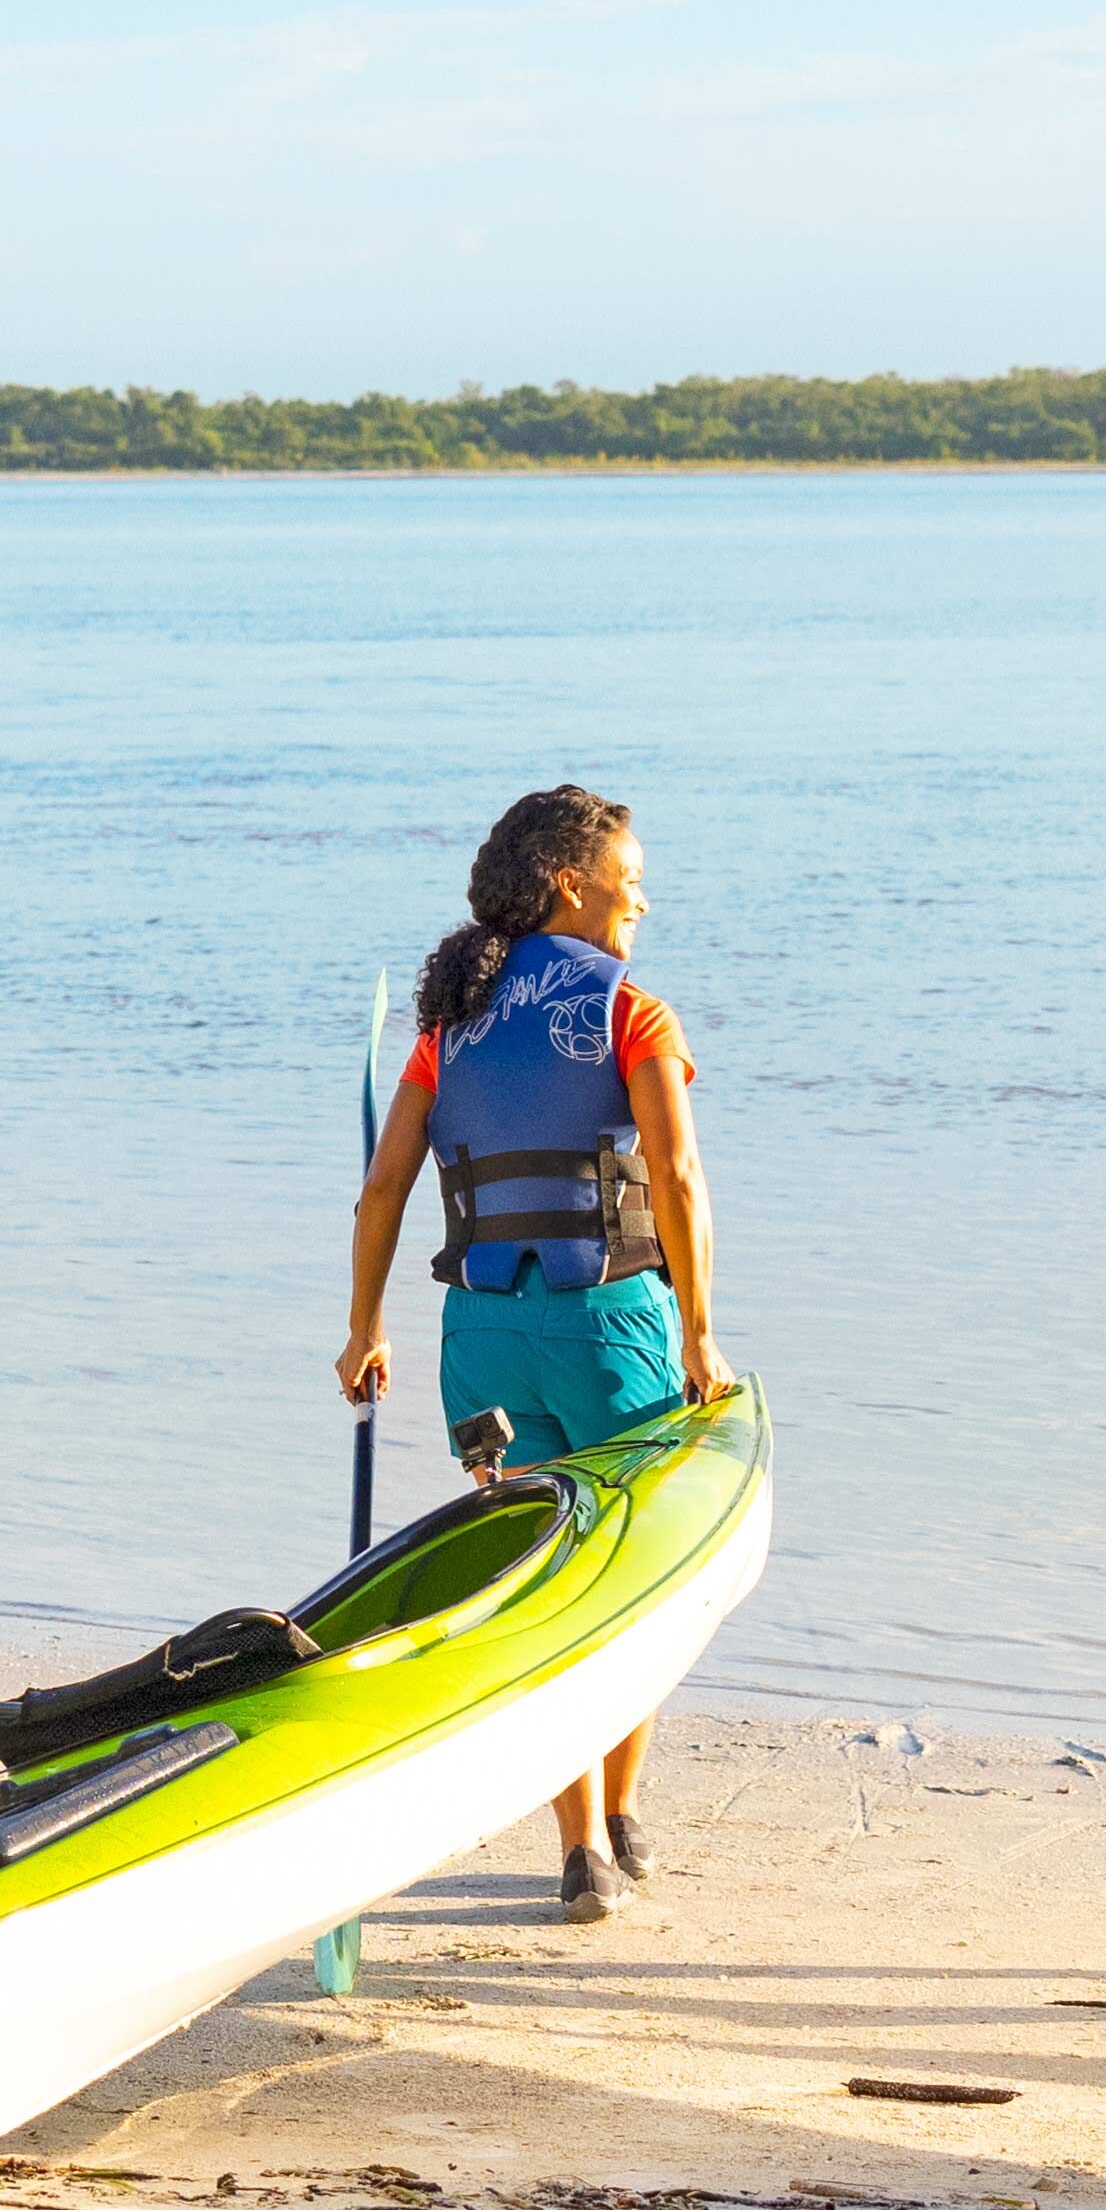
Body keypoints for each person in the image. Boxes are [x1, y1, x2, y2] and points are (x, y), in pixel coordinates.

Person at [335, 783, 743, 1921]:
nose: (642, 897)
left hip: (481, 1347)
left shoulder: (443, 1026)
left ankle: (582, 1849)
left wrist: (365, 1327)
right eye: (631, 872)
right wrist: (701, 1334)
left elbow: (381, 1193)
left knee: (537, 1586)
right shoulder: (633, 1014)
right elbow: (678, 1182)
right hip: (607, 1329)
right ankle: (614, 1814)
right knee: (635, 1583)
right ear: (572, 879)